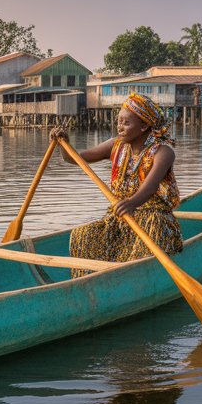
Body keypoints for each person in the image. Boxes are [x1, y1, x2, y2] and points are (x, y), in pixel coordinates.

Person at [60, 93, 182, 276]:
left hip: (154, 215)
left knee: (152, 227)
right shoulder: (115, 145)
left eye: (126, 123)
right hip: (122, 214)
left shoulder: (163, 152)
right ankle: (92, 282)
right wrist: (63, 142)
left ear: (144, 126)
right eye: (118, 122)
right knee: (82, 235)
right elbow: (72, 158)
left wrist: (131, 203)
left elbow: (149, 188)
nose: (120, 128)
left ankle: (138, 278)